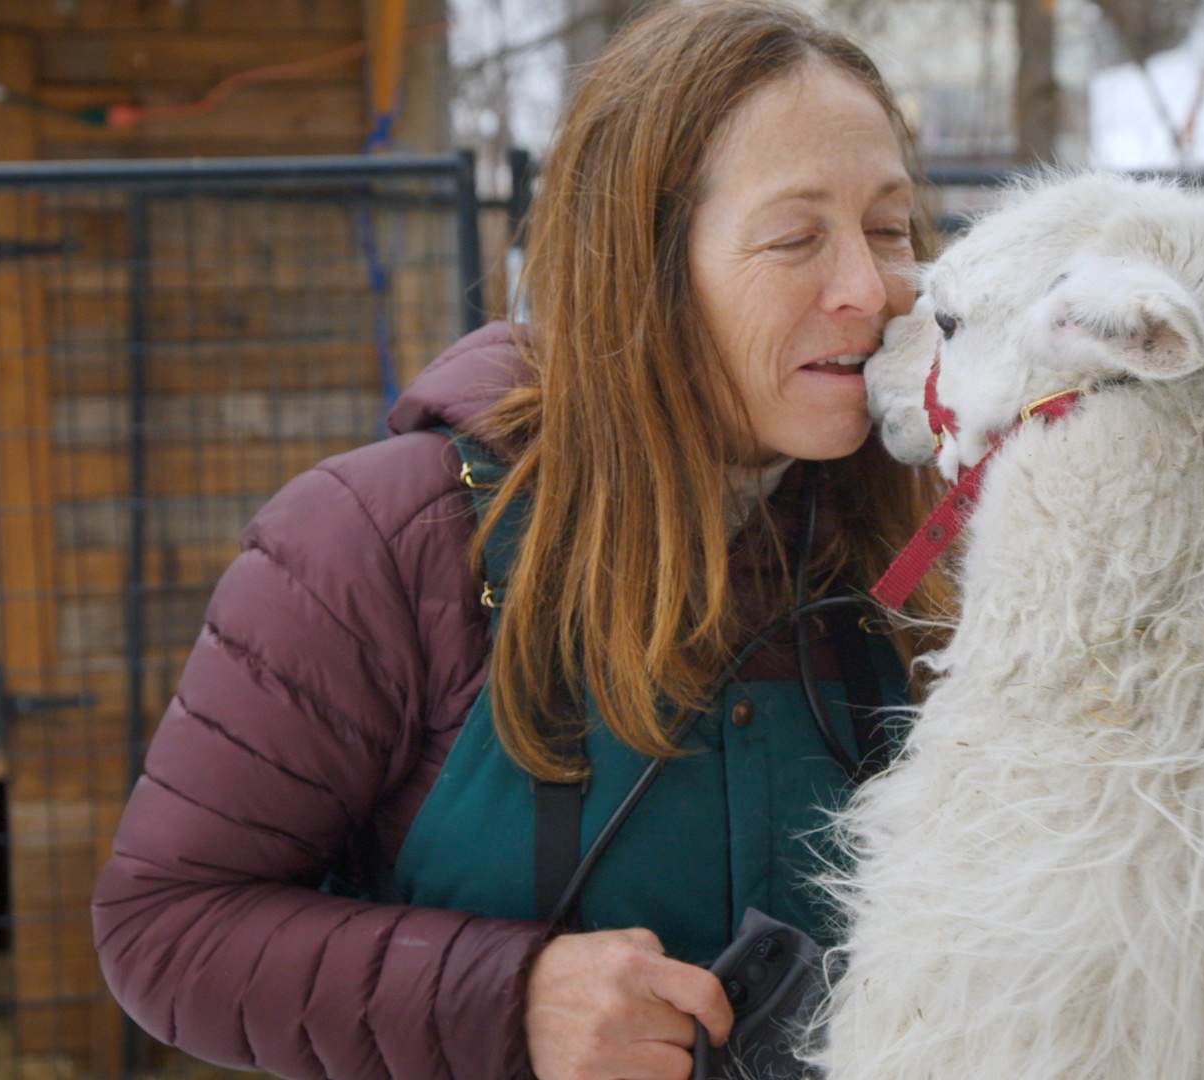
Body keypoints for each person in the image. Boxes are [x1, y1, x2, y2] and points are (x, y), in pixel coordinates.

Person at [91, 4, 948, 1079]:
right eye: (794, 237)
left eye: (889, 227)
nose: (871, 290)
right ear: (640, 265)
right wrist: (506, 999)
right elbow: (166, 928)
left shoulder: (926, 545)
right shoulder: (380, 542)